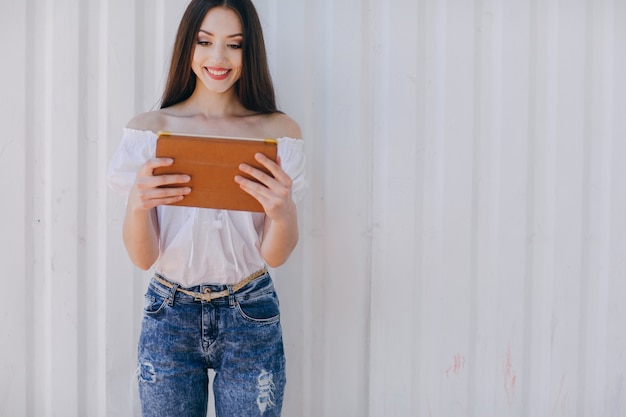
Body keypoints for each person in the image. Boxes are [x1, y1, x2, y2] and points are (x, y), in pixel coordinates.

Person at [107, 0, 305, 415]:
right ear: (188, 46)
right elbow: (142, 256)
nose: (218, 58)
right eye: (204, 41)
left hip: (250, 309)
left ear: (250, 52)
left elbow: (275, 254)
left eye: (234, 45)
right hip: (169, 312)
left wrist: (282, 210)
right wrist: (138, 204)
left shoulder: (277, 134)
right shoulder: (148, 132)